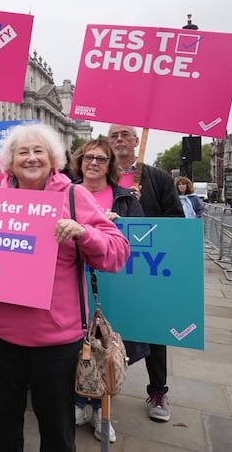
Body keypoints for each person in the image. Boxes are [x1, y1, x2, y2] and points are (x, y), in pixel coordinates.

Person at [0, 123, 129, 452]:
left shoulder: (75, 196)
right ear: (10, 161)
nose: (31, 158)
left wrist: (84, 233)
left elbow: (117, 253)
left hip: (55, 343)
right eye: (23, 152)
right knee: (3, 428)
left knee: (57, 431)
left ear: (53, 159)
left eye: (39, 151)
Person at [70, 138, 145, 443]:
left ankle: (103, 410)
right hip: (75, 285)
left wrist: (116, 223)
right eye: (89, 157)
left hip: (112, 285)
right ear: (80, 161)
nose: (93, 163)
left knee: (105, 350)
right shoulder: (68, 192)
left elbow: (138, 236)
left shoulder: (124, 198)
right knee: (78, 348)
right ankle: (78, 401)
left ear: (110, 165)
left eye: (101, 159)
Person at [108, 124, 183, 423]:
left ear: (137, 141)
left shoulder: (159, 178)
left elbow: (176, 221)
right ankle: (101, 389)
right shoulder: (102, 175)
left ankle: (158, 390)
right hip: (110, 268)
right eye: (113, 136)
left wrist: (140, 212)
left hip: (147, 269)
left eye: (125, 134)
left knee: (154, 332)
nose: (119, 140)